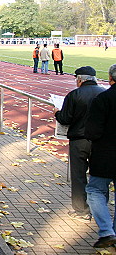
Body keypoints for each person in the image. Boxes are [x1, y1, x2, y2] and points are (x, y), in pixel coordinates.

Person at [54, 66, 105, 222]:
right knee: (99, 177)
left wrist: (57, 113)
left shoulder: (74, 95)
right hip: (100, 141)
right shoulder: (104, 93)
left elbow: (65, 119)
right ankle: (101, 210)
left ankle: (82, 211)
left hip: (79, 140)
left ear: (80, 80)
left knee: (78, 176)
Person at [85, 64, 116, 249]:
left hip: (104, 155)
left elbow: (92, 131)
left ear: (111, 79)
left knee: (94, 191)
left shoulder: (103, 98)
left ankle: (106, 231)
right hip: (105, 154)